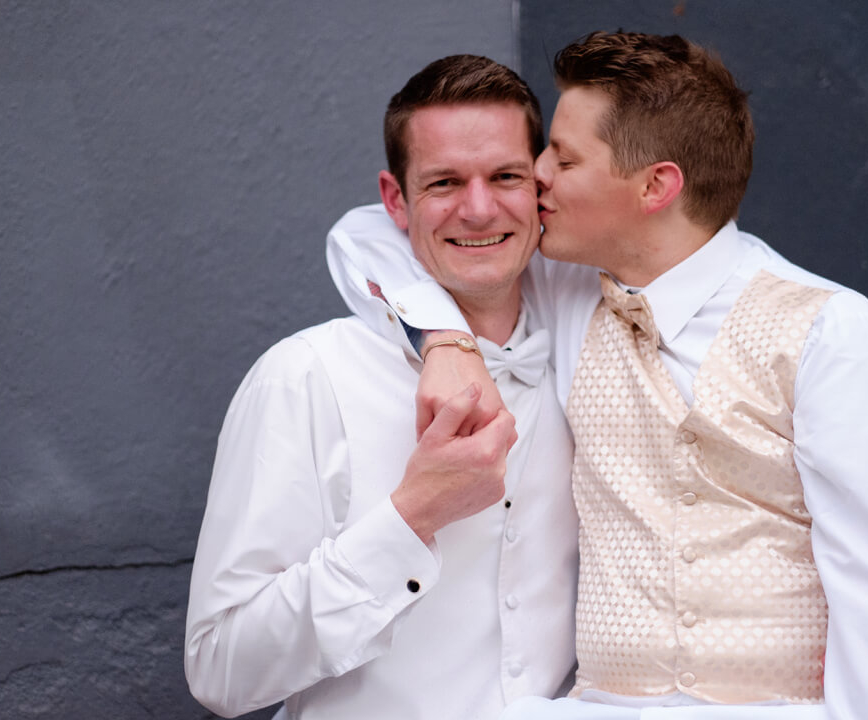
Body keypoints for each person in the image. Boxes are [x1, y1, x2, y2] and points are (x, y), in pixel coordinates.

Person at [326, 31, 868, 719]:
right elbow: (369, 235)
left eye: (562, 159)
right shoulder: (566, 291)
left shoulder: (836, 336)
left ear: (656, 185)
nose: (533, 175)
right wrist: (443, 340)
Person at [184, 54, 579, 720]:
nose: (479, 210)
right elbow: (221, 668)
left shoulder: (588, 348)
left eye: (505, 176)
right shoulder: (305, 377)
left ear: (539, 185)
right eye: (445, 182)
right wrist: (412, 516)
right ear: (395, 200)